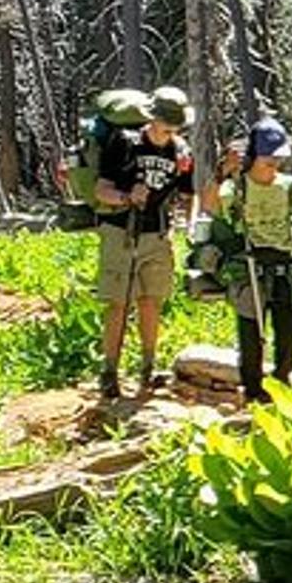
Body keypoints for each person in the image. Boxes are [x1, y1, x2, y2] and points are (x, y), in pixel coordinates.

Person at [203, 118, 292, 404]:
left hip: (284, 262)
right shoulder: (237, 186)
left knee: (291, 332)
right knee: (251, 334)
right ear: (252, 158)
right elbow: (210, 205)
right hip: (249, 263)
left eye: (278, 159)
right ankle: (253, 390)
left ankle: (281, 382)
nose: (274, 165)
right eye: (268, 159)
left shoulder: (289, 186)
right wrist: (222, 172)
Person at [93, 85, 194, 400]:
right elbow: (101, 189)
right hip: (120, 231)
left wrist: (186, 225)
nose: (170, 131)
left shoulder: (179, 151)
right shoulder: (124, 143)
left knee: (151, 301)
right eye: (166, 124)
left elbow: (189, 194)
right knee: (118, 303)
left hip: (158, 234)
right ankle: (109, 372)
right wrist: (126, 197)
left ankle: (148, 369)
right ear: (152, 118)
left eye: (175, 125)